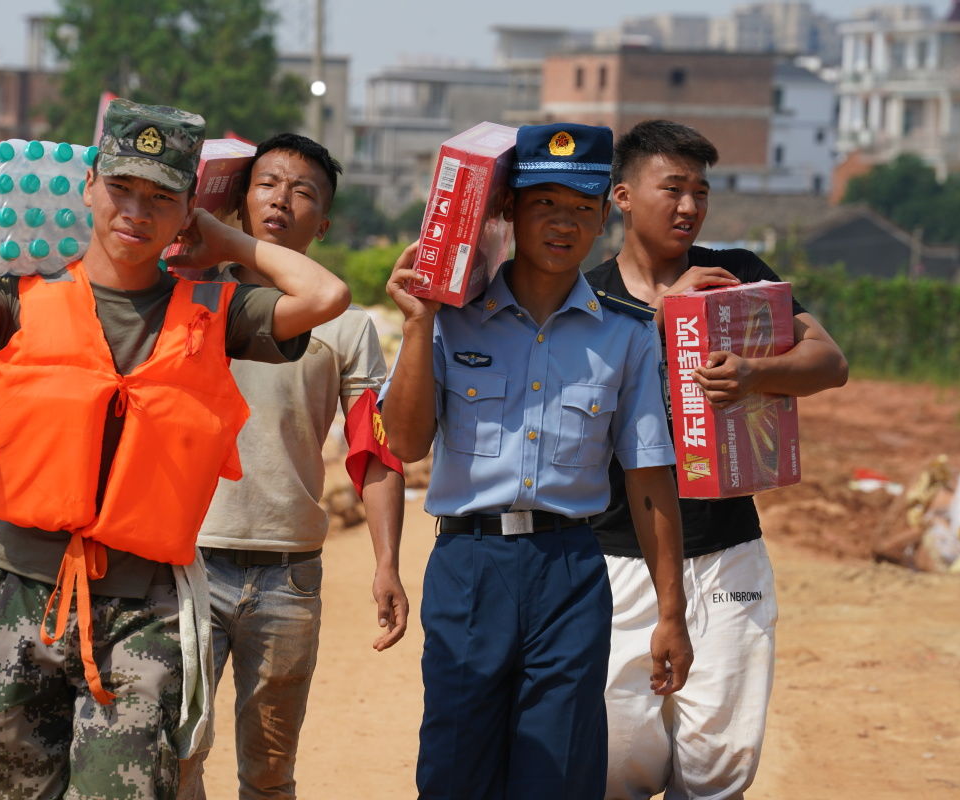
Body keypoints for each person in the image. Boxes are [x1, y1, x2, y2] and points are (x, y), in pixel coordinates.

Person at [0, 98, 351, 800]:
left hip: (145, 610)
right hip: (18, 590)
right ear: (88, 188)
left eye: (160, 197)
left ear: (185, 210)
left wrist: (228, 242)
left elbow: (326, 295)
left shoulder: (213, 310)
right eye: (121, 189)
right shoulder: (18, 298)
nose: (135, 210)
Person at [381, 122, 693, 800]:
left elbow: (647, 478)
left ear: (604, 218)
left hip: (570, 572)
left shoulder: (627, 334)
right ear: (509, 210)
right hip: (470, 569)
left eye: (582, 208)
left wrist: (672, 611)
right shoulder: (449, 318)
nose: (564, 223)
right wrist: (415, 323)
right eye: (545, 203)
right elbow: (403, 444)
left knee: (558, 770)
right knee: (456, 764)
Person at [586, 119, 849, 800]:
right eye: (671, 188)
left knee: (719, 763)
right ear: (621, 196)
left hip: (728, 547)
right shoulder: (585, 298)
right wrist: (667, 318)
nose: (688, 207)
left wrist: (758, 375)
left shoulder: (736, 279)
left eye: (700, 192)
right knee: (614, 757)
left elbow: (828, 361)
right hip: (614, 557)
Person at [174, 133, 409, 800]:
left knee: (270, 772)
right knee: (175, 755)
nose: (282, 198)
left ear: (324, 221)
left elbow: (374, 452)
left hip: (288, 576)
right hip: (186, 564)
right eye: (268, 183)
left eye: (303, 192)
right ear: (238, 200)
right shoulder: (187, 300)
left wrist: (386, 563)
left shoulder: (345, 326)